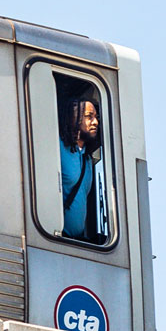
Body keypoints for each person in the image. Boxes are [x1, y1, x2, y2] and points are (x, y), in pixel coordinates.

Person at [59, 84, 107, 243]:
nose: (95, 122)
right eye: (89, 116)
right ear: (74, 118)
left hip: (77, 242)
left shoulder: (87, 159)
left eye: (96, 117)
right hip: (57, 239)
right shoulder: (59, 148)